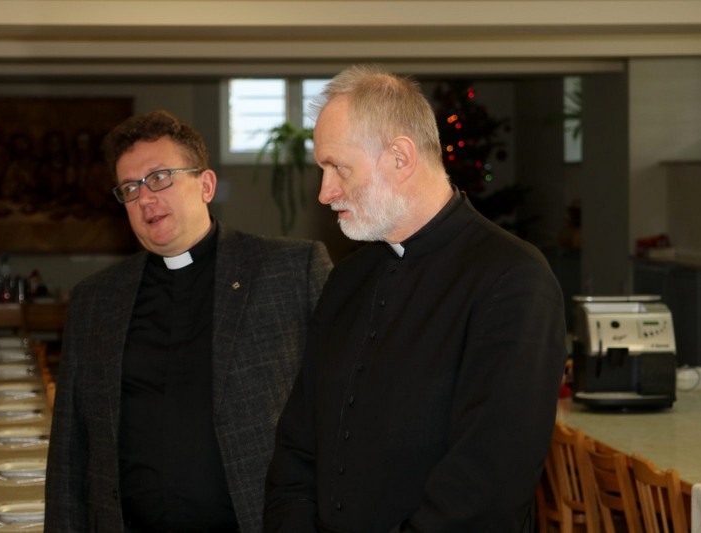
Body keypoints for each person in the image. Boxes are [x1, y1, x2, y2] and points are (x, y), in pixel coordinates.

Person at [263, 65, 568, 532]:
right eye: (322, 169)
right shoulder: (347, 280)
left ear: (400, 157)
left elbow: (487, 484)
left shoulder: (513, 279)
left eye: (338, 167)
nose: (325, 192)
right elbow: (297, 444)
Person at [45, 110, 333, 533]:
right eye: (130, 188)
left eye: (159, 178)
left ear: (206, 185)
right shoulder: (96, 300)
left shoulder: (290, 271)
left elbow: (343, 413)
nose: (145, 198)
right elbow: (70, 451)